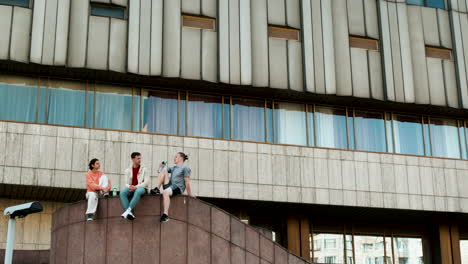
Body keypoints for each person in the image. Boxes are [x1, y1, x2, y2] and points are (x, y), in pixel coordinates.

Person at [152, 152, 194, 222]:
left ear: (181, 158)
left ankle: (165, 215)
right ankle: (157, 189)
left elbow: (187, 182)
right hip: (170, 186)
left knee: (165, 192)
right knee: (164, 170)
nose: (174, 158)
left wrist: (190, 194)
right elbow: (160, 172)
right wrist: (161, 166)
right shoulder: (173, 167)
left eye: (176, 157)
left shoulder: (185, 168)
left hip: (178, 188)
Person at [120, 152, 150, 220]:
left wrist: (136, 187)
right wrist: (130, 187)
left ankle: (127, 211)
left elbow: (146, 182)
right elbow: (126, 183)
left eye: (140, 158)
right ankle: (129, 213)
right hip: (132, 188)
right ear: (133, 159)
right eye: (138, 158)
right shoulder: (127, 170)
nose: (140, 160)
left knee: (138, 191)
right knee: (122, 192)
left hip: (142, 188)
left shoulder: (144, 169)